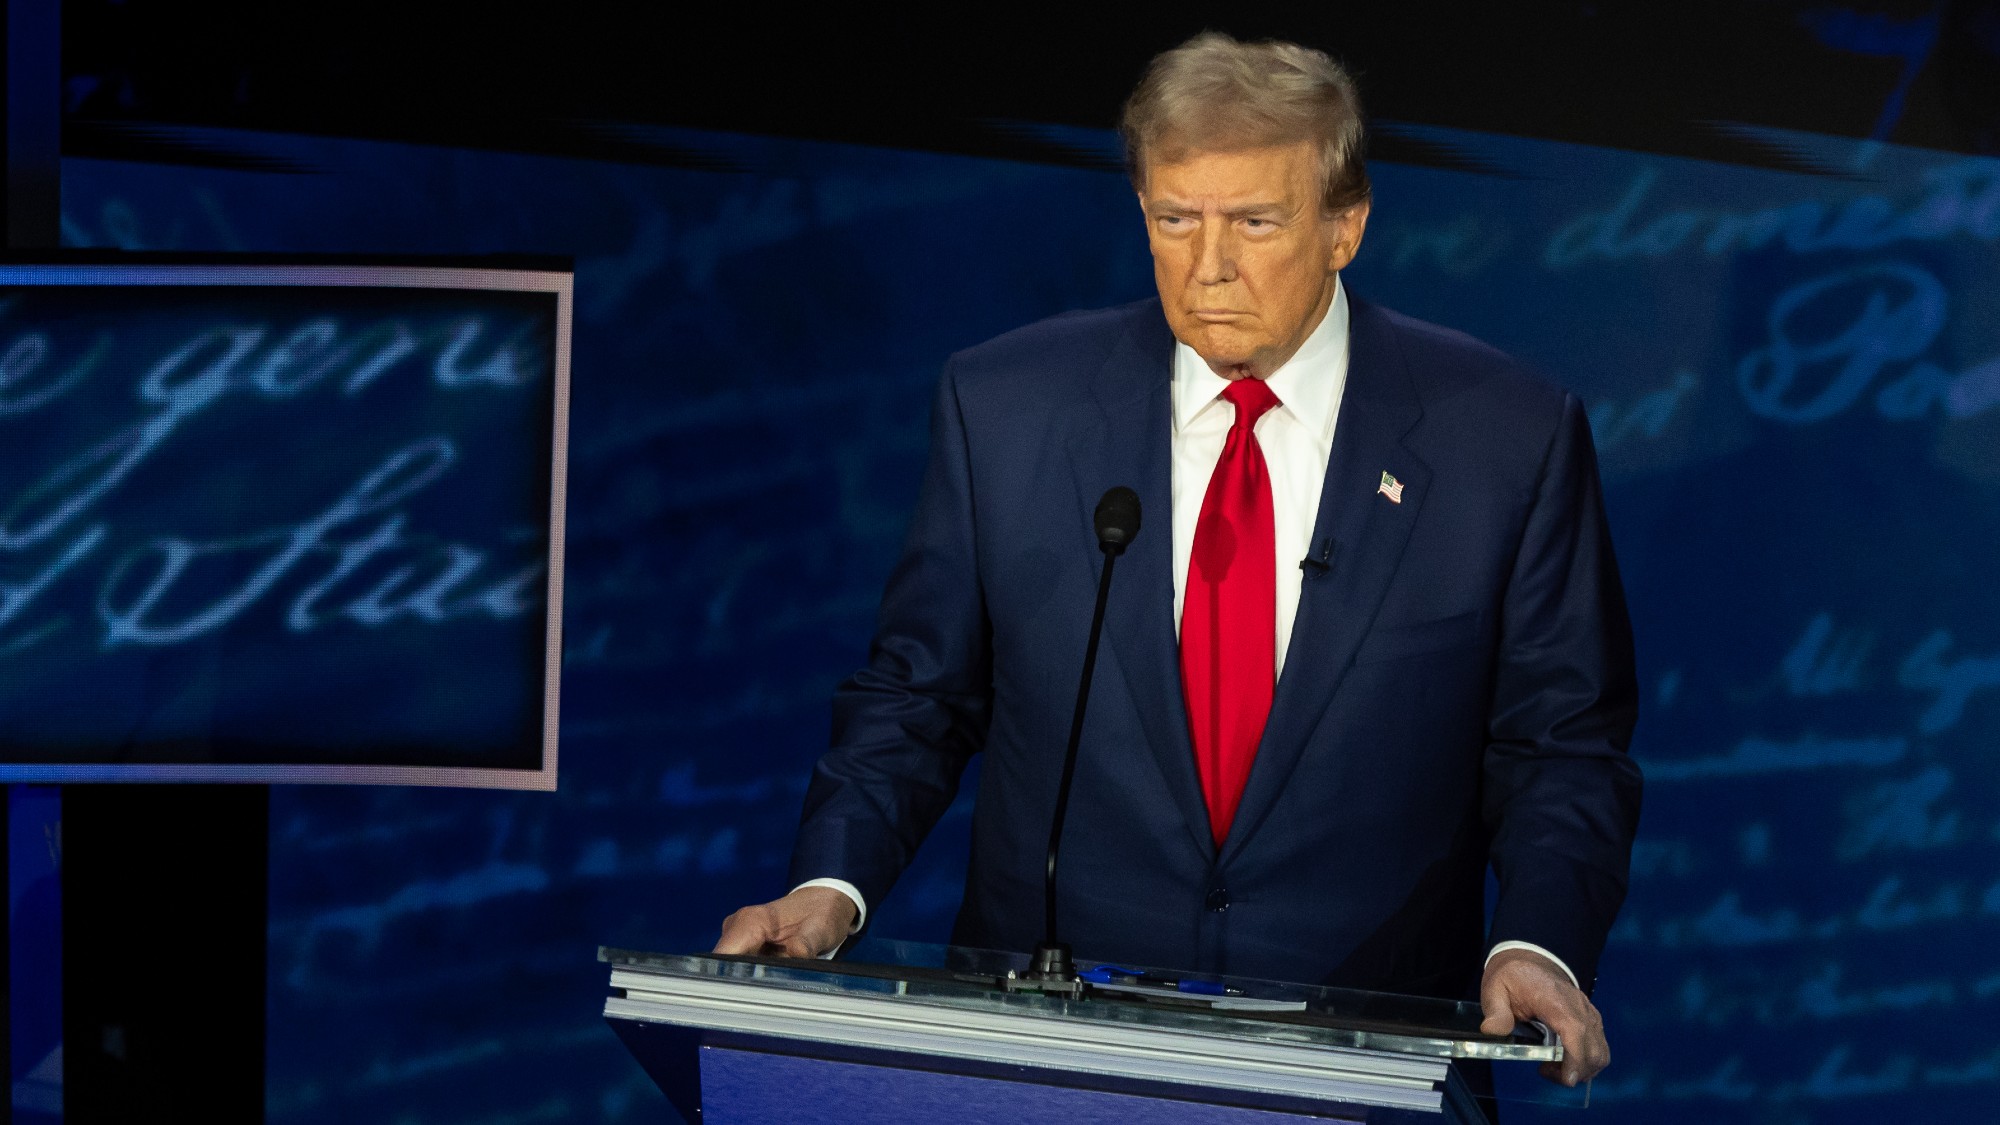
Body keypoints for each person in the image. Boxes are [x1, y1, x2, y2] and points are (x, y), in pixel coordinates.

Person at [715, 31, 1640, 1087]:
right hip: (1045, 1059)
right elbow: (916, 698)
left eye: (1254, 221)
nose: (1208, 267)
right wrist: (830, 889)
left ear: (1345, 224)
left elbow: (1560, 746)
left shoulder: (1503, 437)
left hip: (1357, 1061)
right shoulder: (1006, 408)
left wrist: (1534, 943)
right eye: (1173, 220)